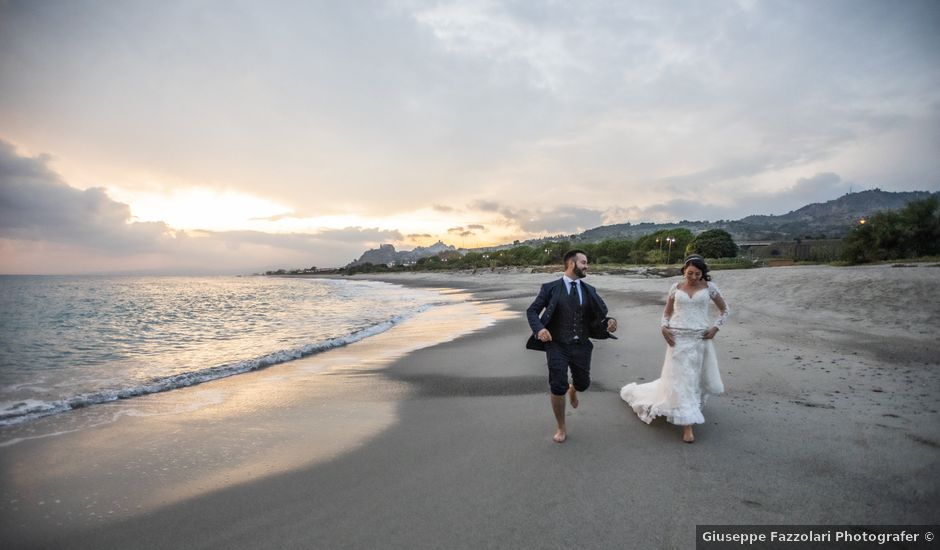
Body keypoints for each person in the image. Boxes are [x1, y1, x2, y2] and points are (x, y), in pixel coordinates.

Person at [620, 255, 729, 443]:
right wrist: (663, 327)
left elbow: (725, 310)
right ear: (683, 271)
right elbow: (666, 314)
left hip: (699, 338)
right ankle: (687, 425)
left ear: (703, 273)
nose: (693, 277)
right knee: (682, 378)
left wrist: (715, 328)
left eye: (697, 274)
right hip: (676, 339)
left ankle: (690, 409)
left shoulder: (710, 289)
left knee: (693, 378)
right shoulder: (676, 288)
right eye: (689, 273)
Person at [526, 249, 618, 443]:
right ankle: (561, 426)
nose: (587, 266)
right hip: (556, 345)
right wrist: (540, 329)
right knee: (557, 385)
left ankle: (574, 390)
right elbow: (532, 311)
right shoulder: (550, 288)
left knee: (583, 384)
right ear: (571, 264)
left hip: (581, 345)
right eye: (584, 262)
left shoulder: (589, 290)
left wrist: (610, 321)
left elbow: (601, 315)